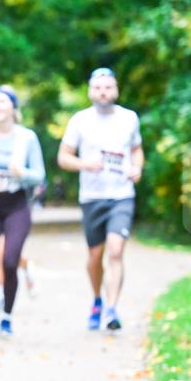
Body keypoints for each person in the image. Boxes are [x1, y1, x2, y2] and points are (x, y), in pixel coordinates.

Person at [57, 67, 143, 332]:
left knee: (116, 251)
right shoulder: (79, 120)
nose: (103, 92)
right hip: (93, 197)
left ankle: (112, 309)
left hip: (121, 195)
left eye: (108, 87)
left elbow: (137, 149)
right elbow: (63, 158)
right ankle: (97, 300)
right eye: (98, 87)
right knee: (96, 256)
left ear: (116, 89)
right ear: (90, 91)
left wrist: (136, 169)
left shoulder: (129, 118)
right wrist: (85, 164)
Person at [0, 86, 44, 337]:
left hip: (16, 205)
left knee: (11, 261)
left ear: (14, 109)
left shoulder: (27, 138)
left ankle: (7, 315)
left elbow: (40, 175)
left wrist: (22, 174)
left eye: (3, 102)